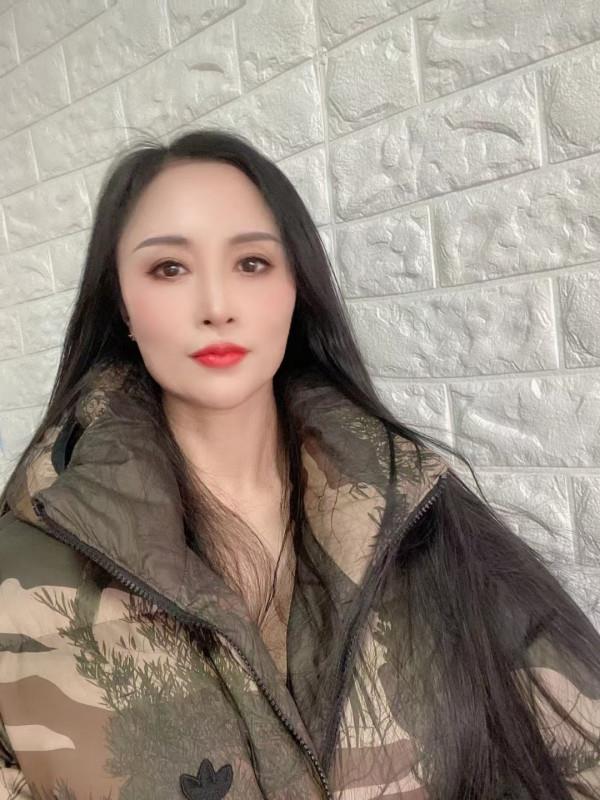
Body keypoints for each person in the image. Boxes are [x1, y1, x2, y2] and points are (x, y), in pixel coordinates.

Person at [0, 128, 598, 800]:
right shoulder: (20, 580)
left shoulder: (420, 513)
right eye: (169, 269)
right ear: (122, 305)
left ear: (296, 288)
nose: (216, 307)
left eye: (252, 263)